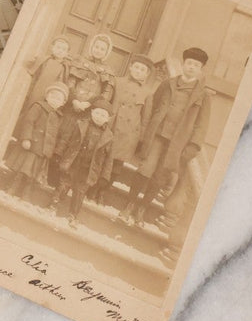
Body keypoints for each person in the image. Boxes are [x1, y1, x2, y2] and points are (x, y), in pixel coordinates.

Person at [122, 47, 212, 227]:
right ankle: (129, 205)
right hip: (157, 135)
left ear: (200, 69)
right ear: (183, 64)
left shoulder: (203, 95)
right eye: (189, 63)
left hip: (177, 143)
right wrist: (145, 130)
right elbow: (152, 106)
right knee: (145, 169)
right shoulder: (168, 84)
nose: (191, 67)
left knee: (160, 176)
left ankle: (142, 209)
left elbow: (201, 125)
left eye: (196, 65)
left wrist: (193, 146)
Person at [53, 99, 115, 228]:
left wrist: (105, 175)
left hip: (89, 169)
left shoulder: (109, 136)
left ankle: (73, 215)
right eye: (97, 113)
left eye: (103, 115)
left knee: (80, 191)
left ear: (108, 119)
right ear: (92, 112)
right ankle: (54, 204)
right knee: (64, 182)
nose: (99, 117)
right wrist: (59, 152)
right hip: (73, 161)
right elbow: (66, 138)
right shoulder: (80, 124)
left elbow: (109, 159)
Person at [9, 81, 71, 202]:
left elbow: (56, 135)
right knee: (23, 169)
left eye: (59, 99)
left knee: (34, 173)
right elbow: (29, 122)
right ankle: (13, 187)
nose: (55, 100)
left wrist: (52, 150)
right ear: (47, 96)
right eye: (52, 96)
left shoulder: (59, 116)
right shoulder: (39, 106)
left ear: (63, 103)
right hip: (33, 145)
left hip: (43, 151)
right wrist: (26, 138)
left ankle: (26, 193)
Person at [109, 54, 157, 203]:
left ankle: (105, 189)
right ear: (130, 67)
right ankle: (94, 187)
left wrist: (141, 138)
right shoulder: (118, 82)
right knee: (104, 158)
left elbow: (146, 117)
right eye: (136, 67)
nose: (138, 71)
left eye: (142, 69)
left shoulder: (148, 92)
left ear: (147, 74)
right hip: (112, 126)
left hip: (129, 134)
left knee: (117, 163)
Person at [24, 37, 77, 107]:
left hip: (54, 95)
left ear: (67, 53)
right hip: (39, 89)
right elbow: (31, 67)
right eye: (58, 47)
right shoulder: (44, 60)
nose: (60, 51)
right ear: (52, 48)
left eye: (64, 49)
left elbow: (65, 81)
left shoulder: (66, 66)